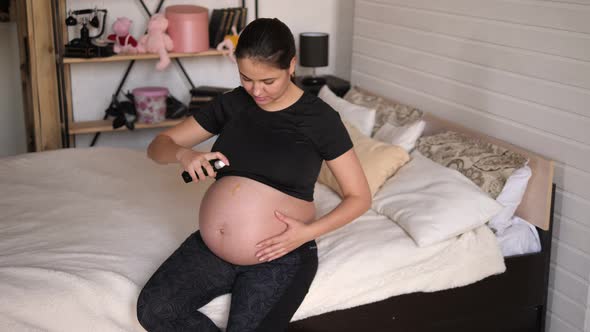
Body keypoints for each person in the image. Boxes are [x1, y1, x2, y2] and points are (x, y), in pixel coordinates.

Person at [136, 17, 371, 332]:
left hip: (281, 253)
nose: (256, 90)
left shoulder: (321, 120)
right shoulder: (233, 103)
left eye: (268, 81)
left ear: (291, 65)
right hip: (211, 251)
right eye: (246, 78)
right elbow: (157, 147)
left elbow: (359, 197)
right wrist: (183, 153)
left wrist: (306, 233)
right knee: (154, 310)